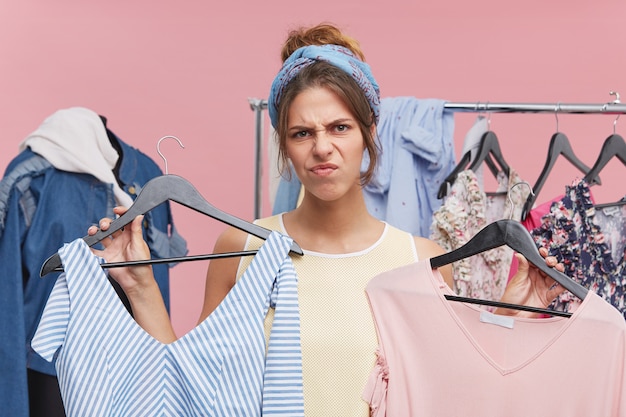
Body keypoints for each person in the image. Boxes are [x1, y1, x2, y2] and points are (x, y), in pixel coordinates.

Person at [90, 23, 565, 416]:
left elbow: (463, 392)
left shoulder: (422, 261)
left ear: (368, 132)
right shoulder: (243, 249)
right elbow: (188, 392)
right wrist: (140, 287)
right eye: (302, 133)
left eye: (340, 127)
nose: (322, 148)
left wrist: (508, 317)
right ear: (284, 143)